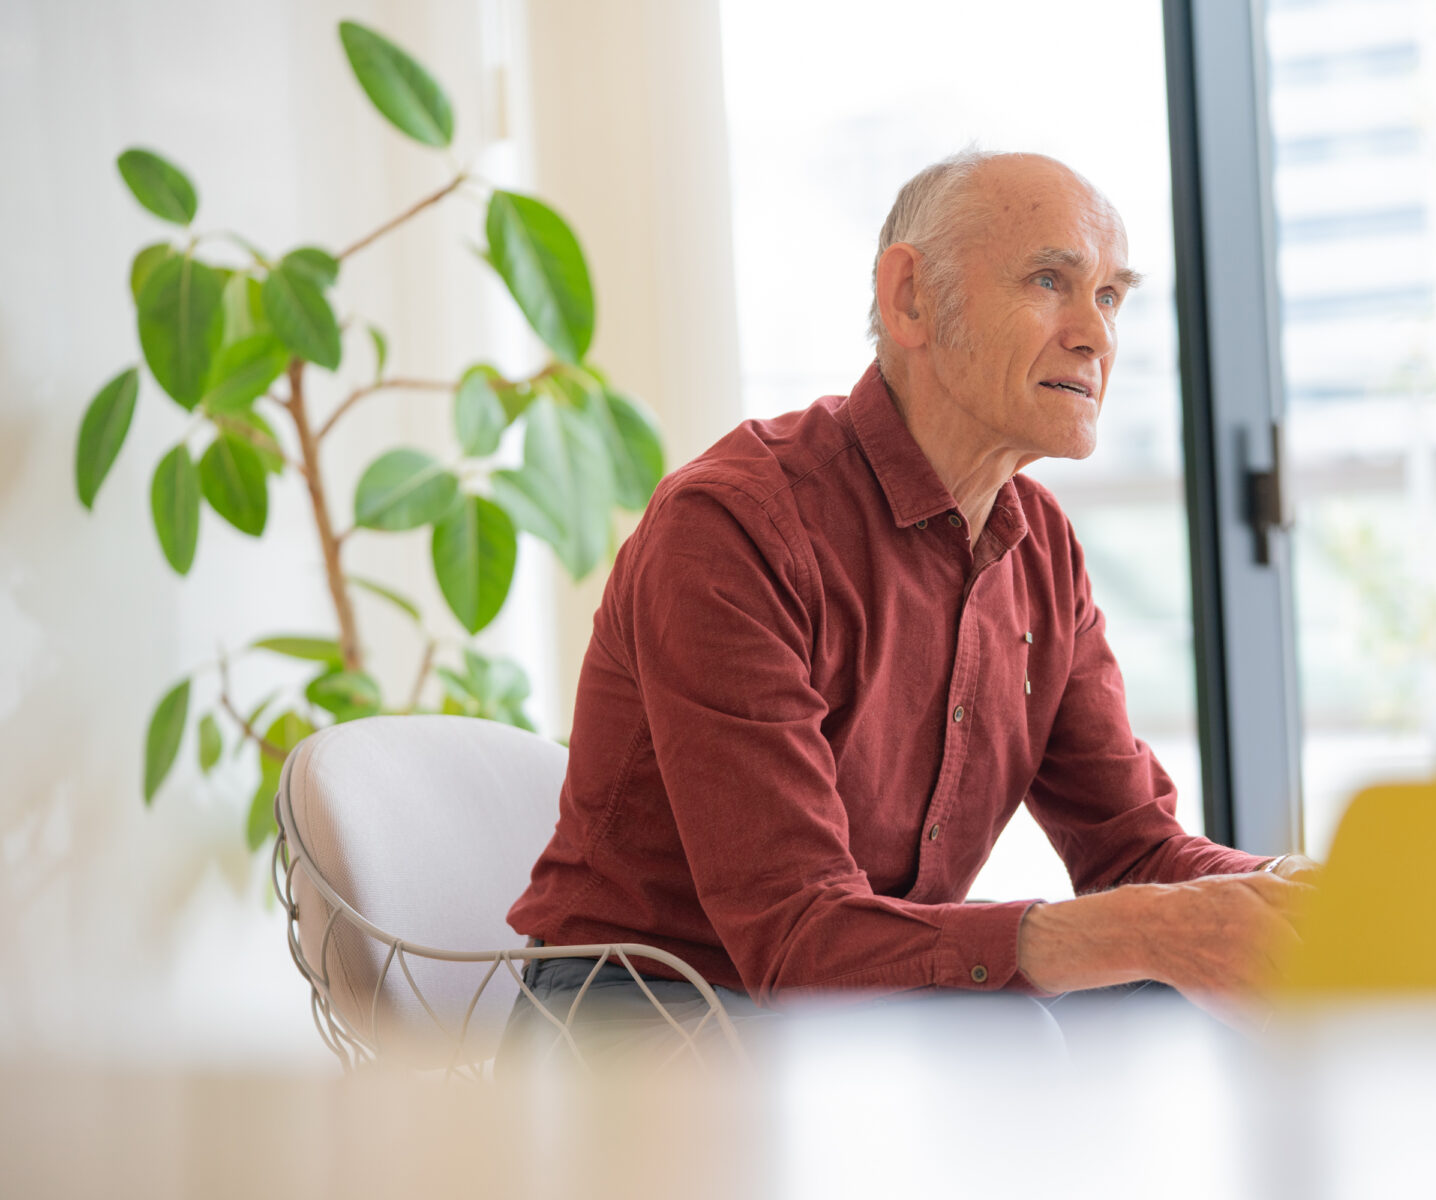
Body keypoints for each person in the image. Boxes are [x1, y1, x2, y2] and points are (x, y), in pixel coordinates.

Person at [500, 150, 1317, 1071]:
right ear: (910, 299)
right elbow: (796, 939)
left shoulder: (1041, 548)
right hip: (645, 1014)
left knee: (1176, 996)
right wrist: (1141, 930)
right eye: (1050, 281)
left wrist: (1292, 893)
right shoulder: (732, 527)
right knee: (1034, 1027)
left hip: (858, 1014)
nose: (1096, 335)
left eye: (1111, 296)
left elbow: (1134, 850)